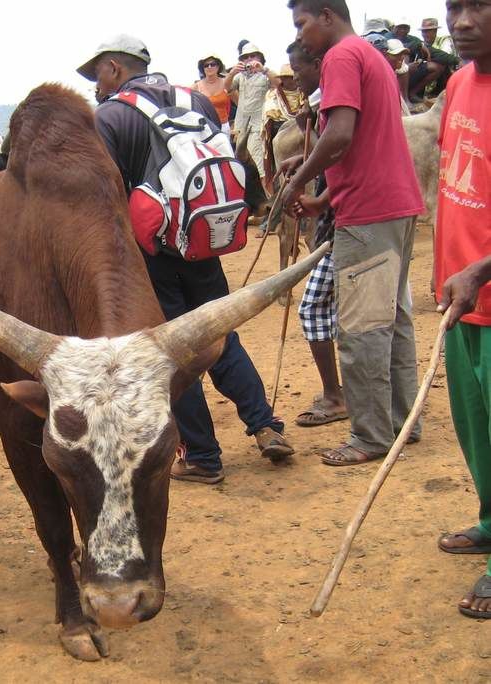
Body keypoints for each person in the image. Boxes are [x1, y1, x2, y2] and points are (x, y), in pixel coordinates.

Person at [77, 34, 294, 485]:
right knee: (217, 333)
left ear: (115, 67)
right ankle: (265, 425)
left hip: (152, 252)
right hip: (203, 238)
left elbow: (104, 198)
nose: (94, 84)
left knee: (172, 352)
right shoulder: (192, 99)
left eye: (96, 72)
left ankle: (201, 455)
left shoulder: (111, 116)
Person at [284, 0, 424, 466]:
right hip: (394, 204)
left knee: (362, 327)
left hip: (369, 215)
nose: (301, 36)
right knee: (395, 321)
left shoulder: (341, 57)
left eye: (302, 23)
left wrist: (301, 177)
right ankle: (405, 423)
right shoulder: (369, 55)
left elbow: (340, 134)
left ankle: (370, 436)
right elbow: (361, 142)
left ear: (327, 15)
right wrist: (324, 197)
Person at [433, 0, 491, 620]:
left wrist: (483, 268)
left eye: (480, 5)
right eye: (455, 6)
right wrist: (448, 270)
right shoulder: (457, 82)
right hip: (461, 301)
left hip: (486, 290)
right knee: (477, 430)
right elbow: (457, 183)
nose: (463, 21)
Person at [283, 42, 347, 429]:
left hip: (346, 224)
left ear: (319, 64)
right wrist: (305, 162)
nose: (296, 78)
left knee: (314, 308)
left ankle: (338, 396)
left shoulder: (333, 104)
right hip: (341, 220)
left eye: (298, 68)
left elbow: (345, 157)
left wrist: (316, 196)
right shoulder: (321, 105)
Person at [224, 43, 281, 178]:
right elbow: (227, 88)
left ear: (260, 57)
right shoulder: (239, 76)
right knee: (240, 161)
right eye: (246, 57)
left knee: (258, 163)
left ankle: (265, 196)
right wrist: (232, 72)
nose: (249, 59)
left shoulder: (265, 74)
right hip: (240, 126)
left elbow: (279, 84)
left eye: (253, 56)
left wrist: (264, 70)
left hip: (258, 125)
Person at [261, 63, 306, 190]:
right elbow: (268, 121)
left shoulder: (307, 93)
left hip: (304, 134)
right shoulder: (272, 97)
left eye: (294, 76)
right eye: (288, 77)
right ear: (282, 79)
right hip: (279, 135)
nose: (292, 80)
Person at [390, 17, 445, 102]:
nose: (402, 30)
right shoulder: (387, 38)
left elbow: (437, 53)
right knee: (405, 62)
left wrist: (420, 59)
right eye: (400, 28)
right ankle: (403, 98)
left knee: (440, 66)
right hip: (393, 72)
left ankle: (412, 94)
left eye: (405, 28)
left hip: (410, 72)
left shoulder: (443, 41)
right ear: (394, 28)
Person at [419, 17, 460, 96]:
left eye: (428, 31)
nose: (425, 34)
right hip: (430, 80)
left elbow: (445, 57)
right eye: (423, 31)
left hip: (447, 76)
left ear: (435, 31)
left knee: (441, 64)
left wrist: (430, 54)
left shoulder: (445, 40)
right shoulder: (422, 44)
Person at [192, 55, 232, 135]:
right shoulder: (196, 86)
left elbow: (240, 103)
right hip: (205, 128)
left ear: (218, 66)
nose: (209, 67)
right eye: (206, 65)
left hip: (224, 127)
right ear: (203, 69)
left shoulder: (226, 83)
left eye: (212, 64)